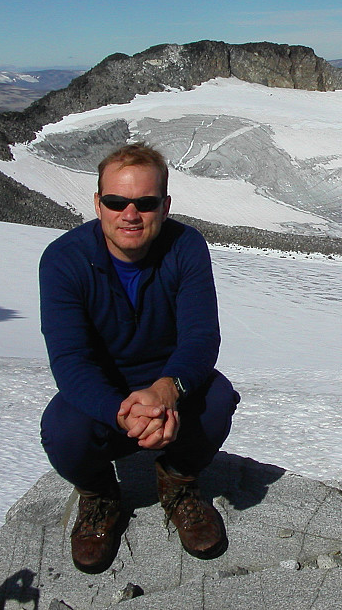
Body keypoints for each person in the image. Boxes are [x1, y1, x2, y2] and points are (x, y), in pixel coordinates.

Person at [39, 143, 240, 574]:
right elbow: (70, 360)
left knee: (218, 400)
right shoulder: (63, 260)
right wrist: (120, 411)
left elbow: (201, 338)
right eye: (116, 201)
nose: (130, 214)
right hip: (104, 390)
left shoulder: (186, 248)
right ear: (98, 203)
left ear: (164, 206)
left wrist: (169, 389)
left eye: (145, 203)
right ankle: (100, 496)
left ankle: (177, 480)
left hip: (166, 383)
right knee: (62, 432)